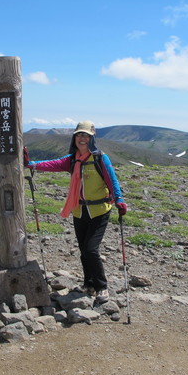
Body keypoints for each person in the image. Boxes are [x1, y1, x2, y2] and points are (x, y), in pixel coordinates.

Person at [24, 120, 127, 303]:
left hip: (99, 210)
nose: (82, 138)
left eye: (86, 135)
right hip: (79, 210)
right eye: (79, 134)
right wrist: (31, 164)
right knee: (83, 249)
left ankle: (101, 286)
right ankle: (88, 284)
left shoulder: (100, 158)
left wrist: (119, 199)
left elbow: (112, 180)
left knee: (90, 249)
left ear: (92, 138)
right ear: (75, 137)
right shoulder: (72, 160)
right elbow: (52, 164)